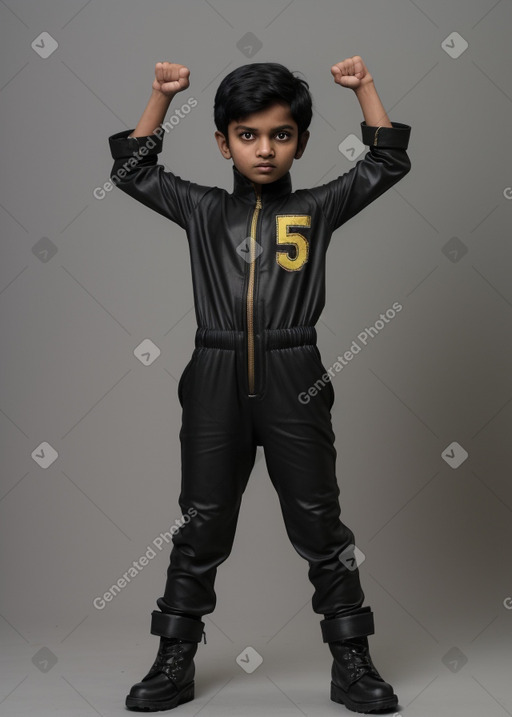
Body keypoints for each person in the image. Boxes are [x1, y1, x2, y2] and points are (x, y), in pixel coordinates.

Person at [108, 57, 411, 714]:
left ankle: (352, 662)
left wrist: (364, 88)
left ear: (300, 141)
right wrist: (160, 96)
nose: (264, 148)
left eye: (280, 134)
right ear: (223, 141)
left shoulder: (317, 207)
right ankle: (174, 659)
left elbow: (385, 164)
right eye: (248, 134)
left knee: (319, 521)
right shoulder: (202, 208)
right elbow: (131, 170)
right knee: (202, 522)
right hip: (215, 375)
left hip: (293, 371)